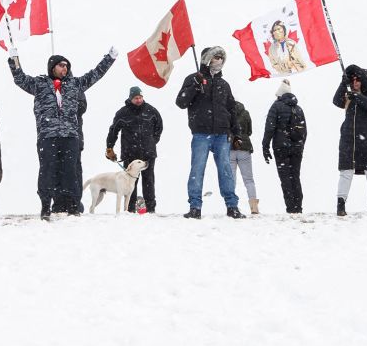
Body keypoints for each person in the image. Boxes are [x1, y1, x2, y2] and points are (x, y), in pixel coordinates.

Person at [10, 49, 118, 220]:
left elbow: (95, 74)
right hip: (47, 135)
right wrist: (13, 59)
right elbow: (20, 79)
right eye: (61, 65)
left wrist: (109, 58)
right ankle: (46, 205)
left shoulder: (75, 84)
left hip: (70, 136)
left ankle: (73, 206)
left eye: (67, 66)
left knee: (71, 172)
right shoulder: (39, 84)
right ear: (53, 67)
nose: (65, 69)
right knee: (47, 171)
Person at [175, 46, 243, 220]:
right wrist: (194, 86)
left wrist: (237, 134)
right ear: (206, 58)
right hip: (201, 134)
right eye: (215, 57)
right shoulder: (193, 79)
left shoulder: (224, 84)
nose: (218, 60)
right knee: (197, 170)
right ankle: (195, 207)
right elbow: (181, 102)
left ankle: (232, 206)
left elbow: (231, 109)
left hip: (222, 135)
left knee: (226, 170)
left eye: (221, 57)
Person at [334, 64, 367, 216]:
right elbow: (337, 101)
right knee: (345, 171)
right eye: (352, 80)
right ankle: (340, 205)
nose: (355, 83)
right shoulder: (349, 95)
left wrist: (357, 96)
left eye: (358, 80)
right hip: (349, 139)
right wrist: (343, 84)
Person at [106, 86, 163, 213]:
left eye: (140, 97)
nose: (139, 100)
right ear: (130, 98)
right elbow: (113, 130)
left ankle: (150, 209)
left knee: (149, 181)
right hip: (130, 153)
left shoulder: (151, 111)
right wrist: (110, 147)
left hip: (148, 153)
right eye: (136, 98)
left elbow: (159, 127)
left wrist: (153, 141)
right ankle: (130, 209)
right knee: (130, 182)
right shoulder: (122, 113)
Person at [262, 79, 308, 213]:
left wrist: (265, 146)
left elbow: (269, 128)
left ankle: (290, 207)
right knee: (295, 176)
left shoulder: (276, 106)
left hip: (281, 147)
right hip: (297, 148)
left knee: (285, 178)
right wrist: (300, 146)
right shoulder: (298, 108)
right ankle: (298, 206)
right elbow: (304, 131)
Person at [229, 99, 260, 215]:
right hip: (244, 146)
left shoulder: (227, 113)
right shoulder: (245, 113)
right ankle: (254, 207)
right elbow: (249, 131)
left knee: (231, 179)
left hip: (230, 148)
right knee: (248, 179)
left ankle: (232, 206)